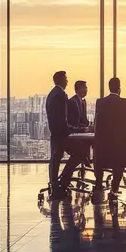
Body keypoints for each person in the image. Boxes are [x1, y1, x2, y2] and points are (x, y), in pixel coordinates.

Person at [93, 77, 126, 202]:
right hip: (119, 147)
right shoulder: (125, 103)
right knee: (118, 165)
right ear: (119, 89)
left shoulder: (100, 102)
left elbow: (96, 124)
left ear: (109, 88)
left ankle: (98, 186)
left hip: (103, 147)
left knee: (101, 162)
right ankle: (114, 190)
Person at [45, 70, 82, 199]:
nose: (67, 81)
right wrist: (76, 131)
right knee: (79, 155)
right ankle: (62, 183)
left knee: (55, 161)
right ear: (61, 80)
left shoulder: (52, 94)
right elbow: (62, 120)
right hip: (62, 135)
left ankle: (56, 187)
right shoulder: (61, 95)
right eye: (66, 78)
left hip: (55, 134)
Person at [67, 79, 90, 165]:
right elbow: (73, 123)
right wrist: (83, 129)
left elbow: (84, 120)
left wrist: (88, 126)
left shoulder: (82, 101)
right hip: (73, 137)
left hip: (80, 134)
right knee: (79, 154)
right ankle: (65, 176)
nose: (86, 90)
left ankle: (85, 157)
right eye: (84, 88)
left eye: (86, 87)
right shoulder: (73, 102)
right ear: (78, 89)